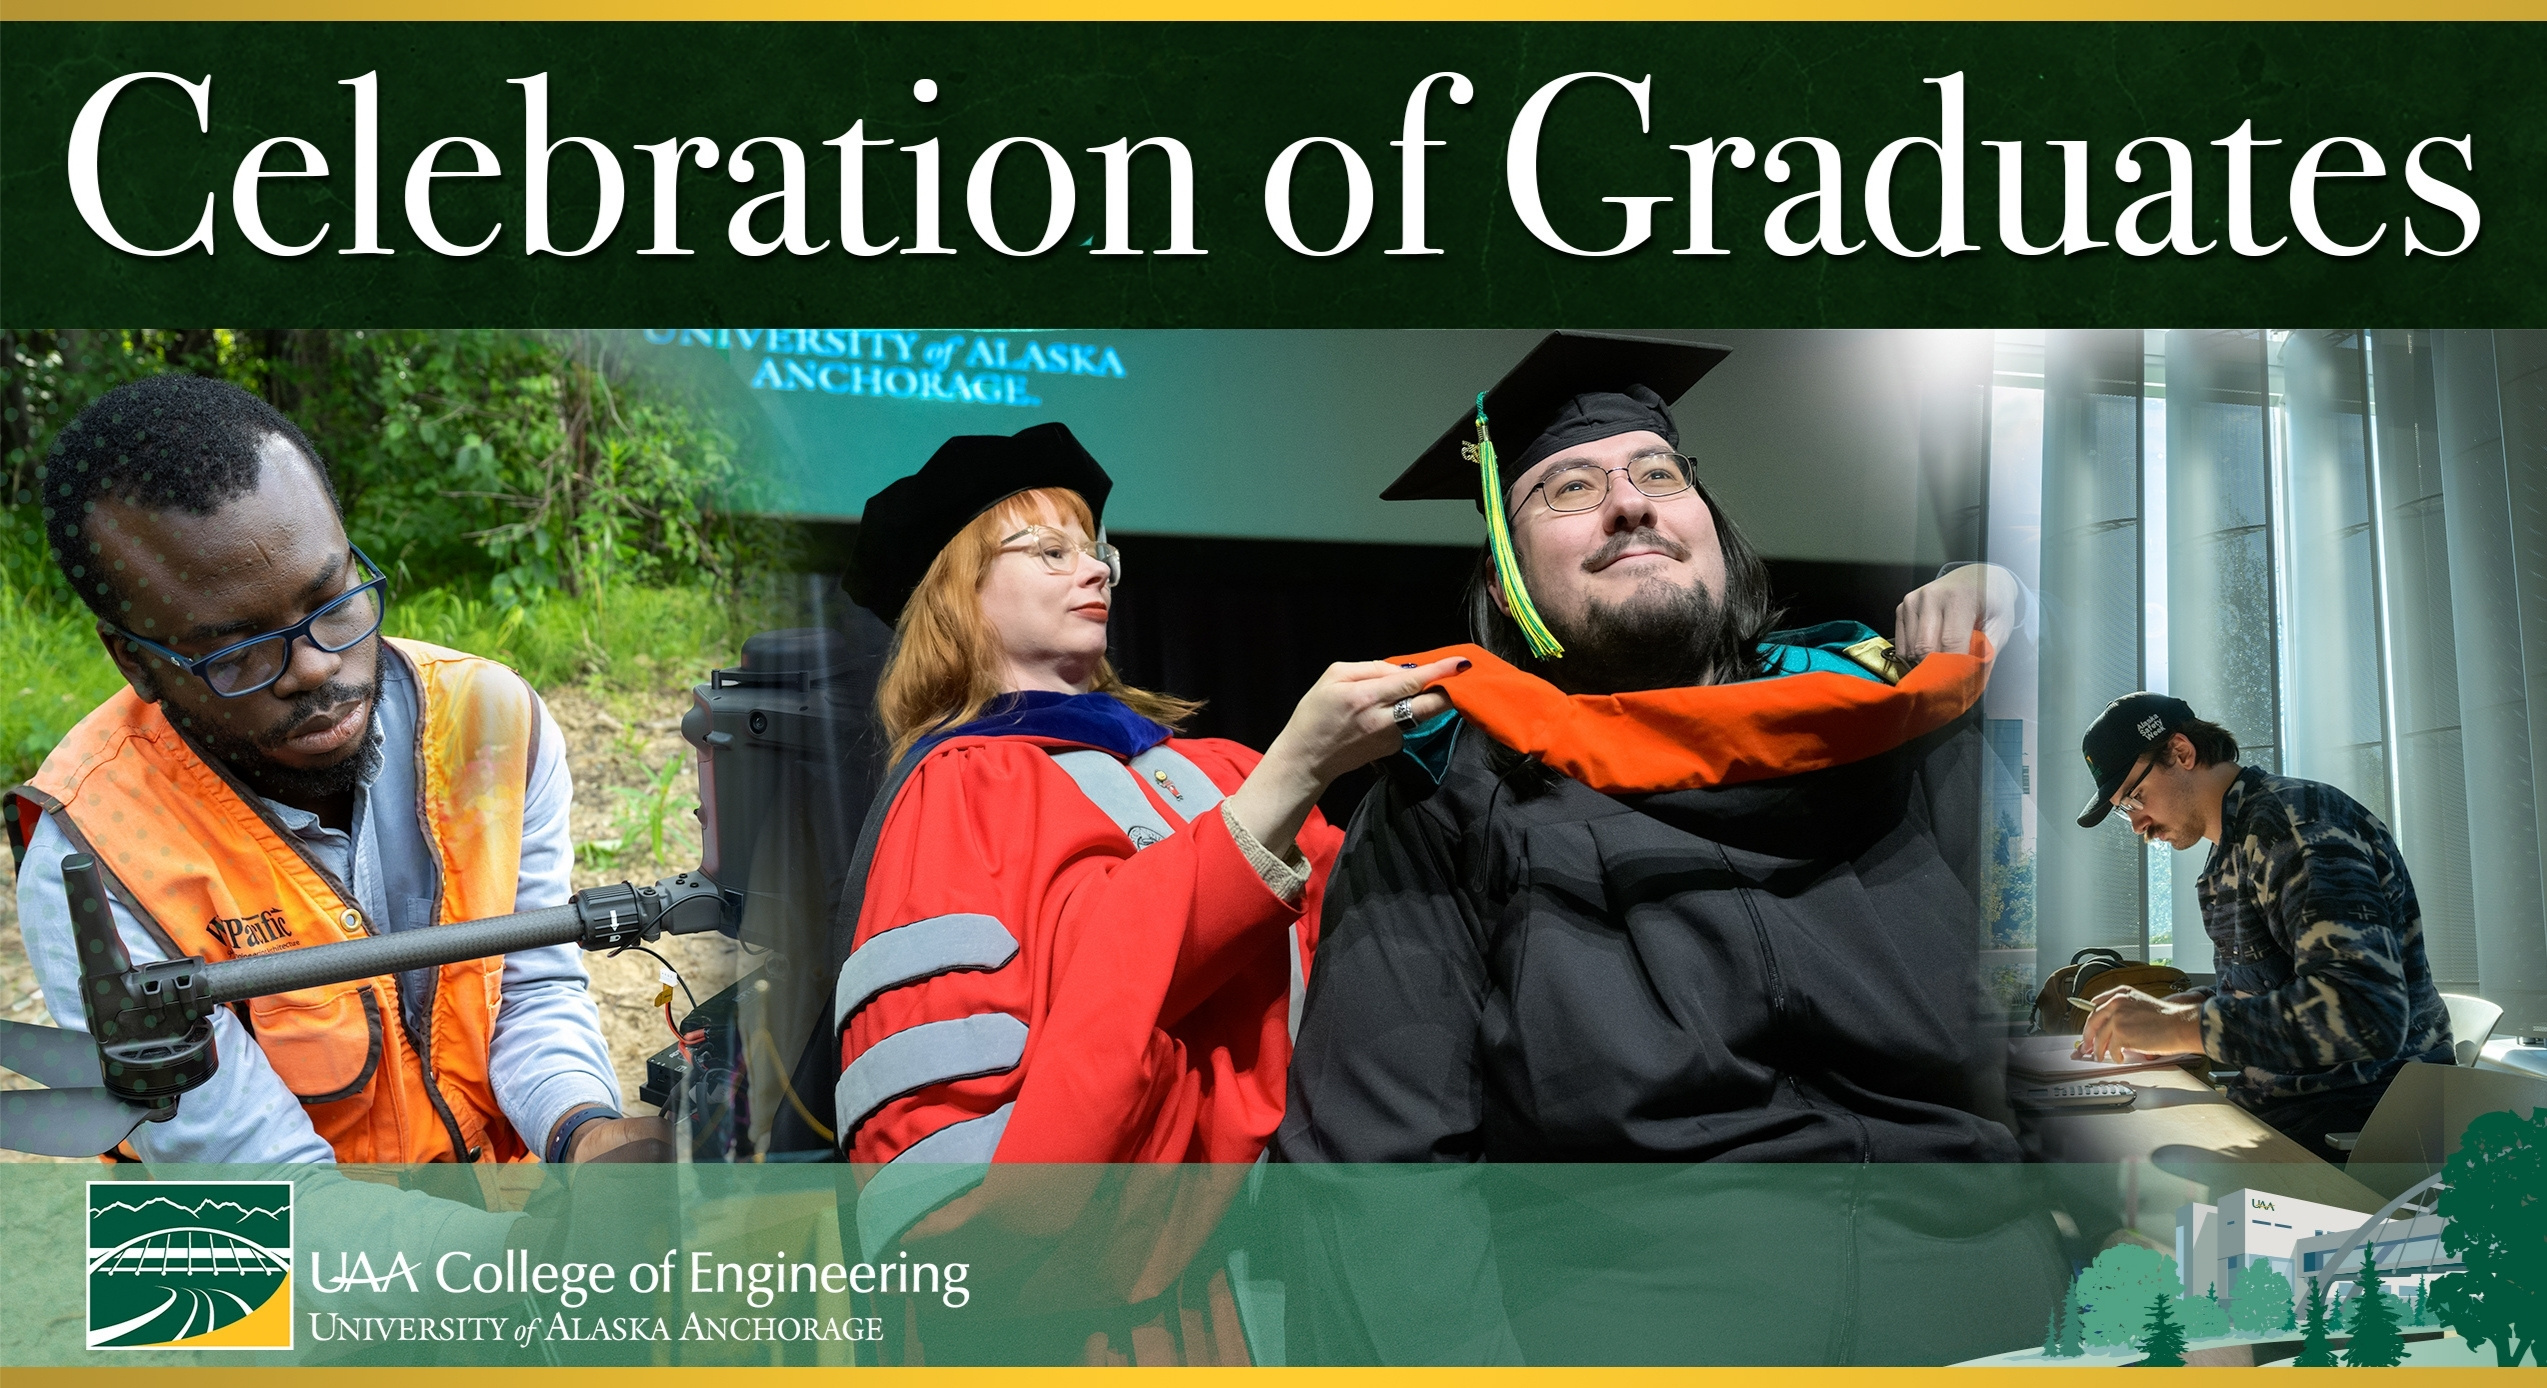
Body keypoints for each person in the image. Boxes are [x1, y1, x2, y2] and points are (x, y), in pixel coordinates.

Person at [1270, 331, 2059, 1365]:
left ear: (1711, 530)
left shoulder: (1885, 731)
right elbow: (1379, 1163)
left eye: (1657, 473)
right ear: (1507, 586)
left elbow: (2043, 1019)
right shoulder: (1452, 794)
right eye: (1567, 488)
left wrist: (2021, 631)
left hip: (1987, 1321)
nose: (1628, 504)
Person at [825, 422, 1460, 1361]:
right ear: (958, 594)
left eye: (1096, 551)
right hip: (1090, 1303)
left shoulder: (1216, 769)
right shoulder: (961, 786)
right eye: (1049, 551)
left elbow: (1356, 952)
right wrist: (1294, 775)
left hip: (1278, 1262)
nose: (1094, 570)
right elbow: (1083, 999)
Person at [6, 374, 651, 1165]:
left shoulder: (492, 724)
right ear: (135, 661)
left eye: (332, 600)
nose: (314, 667)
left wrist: (582, 1131)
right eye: (238, 650)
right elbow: (263, 1180)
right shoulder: (94, 858)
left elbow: (531, 988)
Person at [2072, 692, 2453, 1155]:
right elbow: (2273, 990)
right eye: (2123, 810)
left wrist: (2181, 1027)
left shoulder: (2295, 825)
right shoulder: (2231, 849)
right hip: (2287, 1112)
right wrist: (2177, 1009)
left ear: (2181, 752)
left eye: (2134, 797)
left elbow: (2364, 1012)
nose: (2136, 824)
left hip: (2357, 1121)